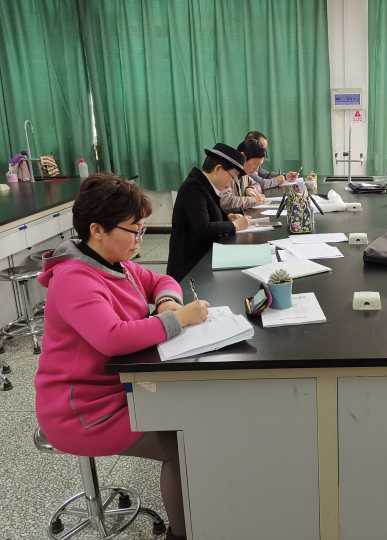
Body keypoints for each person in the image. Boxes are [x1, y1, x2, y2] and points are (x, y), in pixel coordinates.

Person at [35, 174, 210, 540]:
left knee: (194, 413)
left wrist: (167, 302)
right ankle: (181, 534)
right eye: (134, 231)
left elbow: (161, 281)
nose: (139, 239)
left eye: (142, 230)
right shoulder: (74, 279)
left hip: (119, 388)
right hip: (83, 410)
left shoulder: (117, 263)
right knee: (182, 444)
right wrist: (177, 319)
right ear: (97, 230)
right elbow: (112, 338)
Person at [167, 143, 250, 282]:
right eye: (232, 176)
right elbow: (203, 228)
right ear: (218, 169)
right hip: (189, 270)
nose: (231, 183)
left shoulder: (205, 186)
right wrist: (235, 225)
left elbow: (210, 214)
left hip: (203, 261)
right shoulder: (193, 188)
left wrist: (228, 218)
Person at [220, 138, 267, 212]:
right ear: (242, 156)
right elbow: (225, 201)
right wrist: (253, 200)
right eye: (255, 164)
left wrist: (250, 188)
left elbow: (257, 184)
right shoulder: (227, 173)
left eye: (259, 165)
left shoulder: (245, 174)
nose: (256, 169)